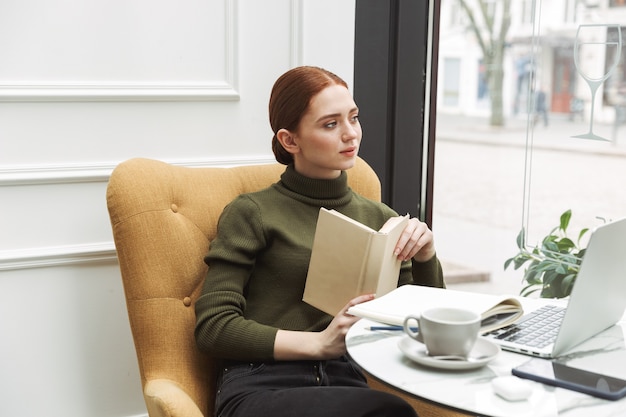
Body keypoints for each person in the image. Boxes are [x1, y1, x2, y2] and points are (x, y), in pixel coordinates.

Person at [194, 66, 445, 417]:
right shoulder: (252, 212)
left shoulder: (382, 220)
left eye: (353, 118)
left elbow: (426, 328)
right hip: (260, 385)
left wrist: (426, 257)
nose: (350, 134)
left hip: (347, 383)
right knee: (390, 412)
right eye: (331, 124)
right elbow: (213, 328)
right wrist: (320, 343)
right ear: (289, 140)